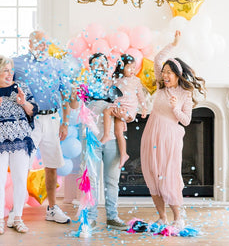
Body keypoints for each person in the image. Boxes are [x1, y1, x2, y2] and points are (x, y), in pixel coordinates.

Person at [140, 31, 205, 230]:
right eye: (165, 72)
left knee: (169, 176)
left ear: (177, 75)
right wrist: (173, 44)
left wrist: (176, 107)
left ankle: (178, 217)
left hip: (170, 137)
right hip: (151, 133)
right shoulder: (161, 86)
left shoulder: (185, 93)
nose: (166, 75)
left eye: (170, 72)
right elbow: (158, 59)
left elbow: (185, 121)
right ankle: (162, 217)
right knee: (152, 174)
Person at [13, 30, 71, 224]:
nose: (42, 46)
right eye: (38, 43)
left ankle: (52, 209)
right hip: (29, 120)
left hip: (53, 119)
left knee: (52, 165)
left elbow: (66, 95)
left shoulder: (56, 64)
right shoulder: (17, 63)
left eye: (45, 43)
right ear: (29, 43)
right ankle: (17, 211)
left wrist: (66, 122)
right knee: (22, 165)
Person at [70, 53, 129, 231]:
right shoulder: (85, 86)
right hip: (90, 137)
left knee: (112, 179)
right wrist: (74, 95)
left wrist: (122, 113)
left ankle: (112, 217)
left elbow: (125, 111)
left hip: (112, 136)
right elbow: (74, 106)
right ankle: (92, 217)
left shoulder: (114, 85)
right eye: (96, 63)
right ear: (91, 67)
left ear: (107, 66)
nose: (100, 66)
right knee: (92, 179)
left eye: (103, 63)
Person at [0, 55, 38, 234]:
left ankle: (17, 218)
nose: (9, 74)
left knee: (20, 179)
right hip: (0, 142)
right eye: (5, 70)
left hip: (21, 140)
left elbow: (33, 111)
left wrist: (23, 103)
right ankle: (0, 220)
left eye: (11, 70)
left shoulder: (20, 87)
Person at [102, 54, 147, 168]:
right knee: (118, 131)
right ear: (122, 68)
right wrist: (106, 81)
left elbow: (140, 96)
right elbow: (110, 91)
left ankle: (108, 136)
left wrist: (144, 108)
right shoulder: (117, 79)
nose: (132, 70)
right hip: (119, 106)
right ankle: (123, 154)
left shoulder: (136, 80)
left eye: (134, 67)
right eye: (129, 67)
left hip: (129, 109)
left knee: (112, 115)